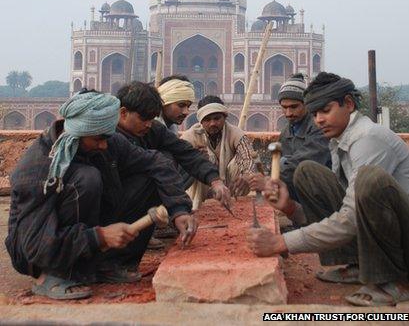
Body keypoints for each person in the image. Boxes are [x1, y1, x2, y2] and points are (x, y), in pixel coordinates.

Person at [6, 90, 197, 301]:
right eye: (98, 139)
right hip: (35, 251)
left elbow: (157, 162)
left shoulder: (105, 140)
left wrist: (178, 209)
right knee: (87, 179)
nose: (104, 145)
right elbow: (33, 245)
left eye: (107, 138)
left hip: (83, 232)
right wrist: (100, 236)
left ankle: (107, 265)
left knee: (149, 176)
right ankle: (55, 274)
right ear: (78, 132)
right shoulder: (36, 169)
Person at [247, 72, 409, 307]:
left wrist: (281, 242)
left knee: (369, 179)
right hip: (384, 230)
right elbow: (346, 207)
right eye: (315, 114)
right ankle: (356, 263)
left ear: (349, 104)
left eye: (325, 110)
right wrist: (290, 207)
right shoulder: (339, 140)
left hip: (405, 241)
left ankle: (395, 281)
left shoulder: (367, 140)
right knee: (308, 172)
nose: (319, 120)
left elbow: (350, 219)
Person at [116, 82, 232, 208]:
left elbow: (185, 152)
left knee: (170, 158)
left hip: (145, 192)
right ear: (123, 113)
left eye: (151, 119)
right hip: (118, 199)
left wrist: (215, 180)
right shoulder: (110, 137)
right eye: (144, 119)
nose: (148, 124)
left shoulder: (153, 129)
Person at [181, 95, 255, 209]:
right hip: (202, 189)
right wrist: (196, 159)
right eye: (207, 120)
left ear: (224, 117)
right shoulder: (190, 136)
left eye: (216, 118)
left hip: (230, 186)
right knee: (199, 161)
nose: (212, 123)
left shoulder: (236, 133)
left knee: (241, 166)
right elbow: (177, 167)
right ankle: (197, 208)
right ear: (201, 121)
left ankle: (236, 205)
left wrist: (246, 174)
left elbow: (248, 156)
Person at [277, 73, 331, 200]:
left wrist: (271, 178)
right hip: (298, 195)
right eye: (284, 108)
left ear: (306, 104)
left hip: (320, 195)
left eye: (294, 107)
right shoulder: (286, 131)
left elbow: (303, 162)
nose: (288, 113)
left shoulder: (319, 126)